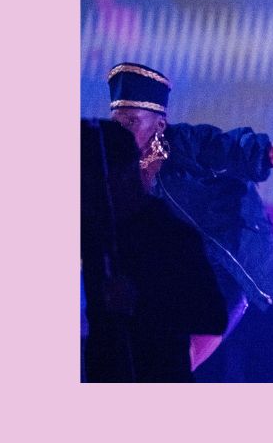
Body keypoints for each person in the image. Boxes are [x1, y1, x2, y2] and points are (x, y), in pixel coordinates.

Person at [107, 62, 273, 370]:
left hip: (228, 264)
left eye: (130, 122)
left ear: (158, 126)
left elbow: (256, 153)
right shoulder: (111, 170)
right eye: (115, 122)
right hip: (169, 271)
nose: (120, 132)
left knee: (176, 364)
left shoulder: (190, 146)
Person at [81, 118, 227, 382]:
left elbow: (213, 317)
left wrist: (141, 302)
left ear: (123, 175)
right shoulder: (92, 233)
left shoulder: (171, 236)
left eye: (90, 180)